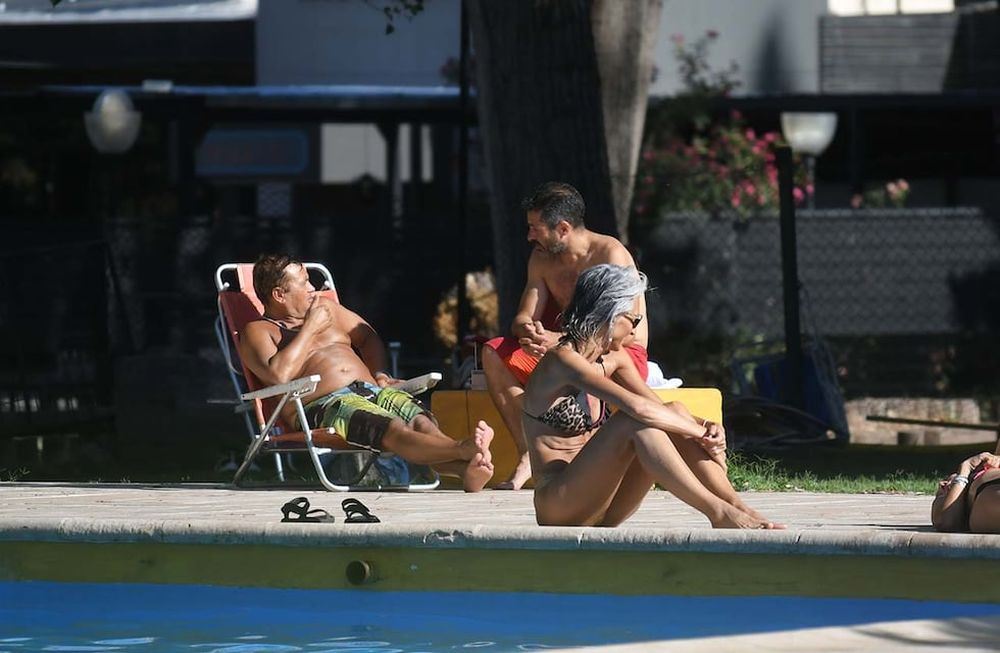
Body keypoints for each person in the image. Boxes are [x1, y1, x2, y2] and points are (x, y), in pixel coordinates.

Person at [522, 263, 781, 528]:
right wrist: (699, 432)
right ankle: (718, 513)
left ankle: (737, 506)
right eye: (633, 320)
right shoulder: (561, 361)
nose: (635, 331)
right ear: (609, 313)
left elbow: (658, 409)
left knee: (674, 409)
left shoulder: (615, 358)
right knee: (632, 421)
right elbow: (638, 409)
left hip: (605, 505)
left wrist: (708, 427)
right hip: (559, 505)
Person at [239, 254, 494, 492]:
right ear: (279, 295)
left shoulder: (327, 309)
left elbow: (367, 337)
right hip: (328, 405)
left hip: (372, 391)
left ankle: (464, 470)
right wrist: (310, 328)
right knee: (393, 430)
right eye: (304, 283)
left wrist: (380, 373)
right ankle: (462, 449)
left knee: (421, 422)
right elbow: (278, 377)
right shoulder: (257, 331)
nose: (312, 289)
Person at [483, 181, 650, 490]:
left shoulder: (611, 254)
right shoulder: (541, 257)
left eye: (535, 228)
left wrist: (562, 341)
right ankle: (528, 451)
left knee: (578, 363)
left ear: (562, 229)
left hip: (615, 353)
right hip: (563, 352)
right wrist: (528, 331)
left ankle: (599, 462)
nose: (529, 236)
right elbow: (523, 316)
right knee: (493, 352)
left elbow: (622, 330)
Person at [932, 449, 1000, 533]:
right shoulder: (981, 494)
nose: (942, 483)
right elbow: (946, 522)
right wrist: (965, 467)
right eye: (941, 494)